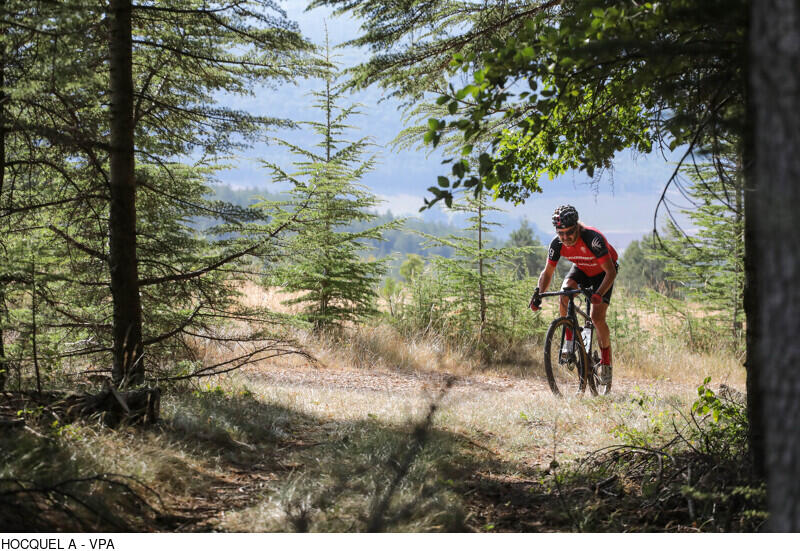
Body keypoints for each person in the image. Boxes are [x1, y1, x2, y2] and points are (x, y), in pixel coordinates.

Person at [529, 205, 618, 385]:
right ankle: (569, 340)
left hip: (604, 272)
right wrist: (538, 294)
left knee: (596, 317)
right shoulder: (557, 243)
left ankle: (606, 362)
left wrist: (598, 294)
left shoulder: (593, 239)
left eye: (569, 232)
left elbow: (610, 272)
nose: (565, 238)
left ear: (577, 227)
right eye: (560, 233)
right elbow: (547, 273)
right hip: (582, 269)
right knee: (565, 293)